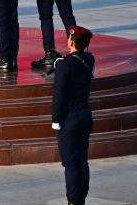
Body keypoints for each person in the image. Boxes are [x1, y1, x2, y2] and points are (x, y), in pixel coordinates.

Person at [51, 25, 95, 205]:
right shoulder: (89, 59)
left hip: (69, 116)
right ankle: (81, 198)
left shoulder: (64, 65)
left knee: (70, 163)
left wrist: (56, 119)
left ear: (71, 41)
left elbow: (59, 95)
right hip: (85, 113)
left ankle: (73, 201)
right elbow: (78, 61)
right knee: (82, 159)